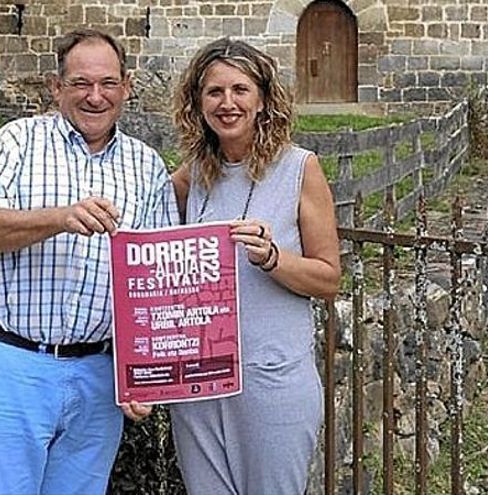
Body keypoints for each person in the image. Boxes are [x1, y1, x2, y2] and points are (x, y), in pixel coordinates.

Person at [0, 29, 177, 495]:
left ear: (127, 86)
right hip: (11, 365)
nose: (96, 96)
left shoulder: (147, 165)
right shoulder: (15, 142)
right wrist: (60, 217)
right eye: (80, 83)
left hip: (99, 374)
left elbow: (156, 281)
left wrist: (145, 374)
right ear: (56, 88)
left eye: (108, 83)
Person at [169, 38, 341, 494]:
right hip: (201, 381)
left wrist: (273, 259)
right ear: (197, 102)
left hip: (271, 380)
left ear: (263, 98)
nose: (228, 103)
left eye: (240, 90)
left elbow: (328, 278)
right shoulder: (192, 174)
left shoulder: (300, 168)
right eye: (214, 92)